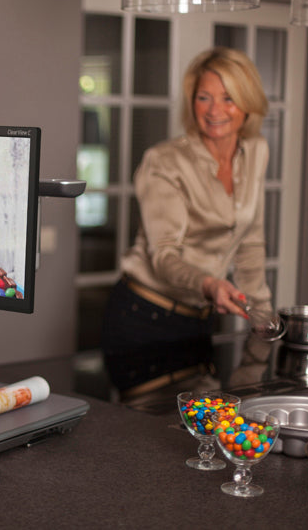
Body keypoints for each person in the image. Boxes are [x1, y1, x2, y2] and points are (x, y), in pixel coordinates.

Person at [100, 47, 275, 399]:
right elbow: (164, 256)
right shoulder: (164, 161)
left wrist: (264, 319)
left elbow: (251, 242)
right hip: (142, 320)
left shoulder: (256, 150)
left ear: (247, 103)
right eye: (204, 97)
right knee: (149, 443)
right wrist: (210, 285)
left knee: (205, 432)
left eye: (228, 98)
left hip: (199, 322)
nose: (214, 110)